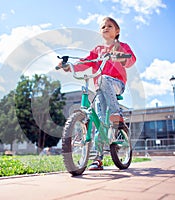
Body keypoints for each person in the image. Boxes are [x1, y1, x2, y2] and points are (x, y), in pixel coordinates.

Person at [58, 17, 136, 170]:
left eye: (110, 26)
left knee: (104, 79)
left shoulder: (122, 46)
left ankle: (116, 113)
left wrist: (117, 56)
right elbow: (85, 62)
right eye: (103, 27)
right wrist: (68, 66)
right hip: (100, 89)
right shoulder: (97, 50)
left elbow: (131, 60)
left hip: (116, 85)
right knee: (100, 122)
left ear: (117, 31)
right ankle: (98, 158)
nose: (106, 28)